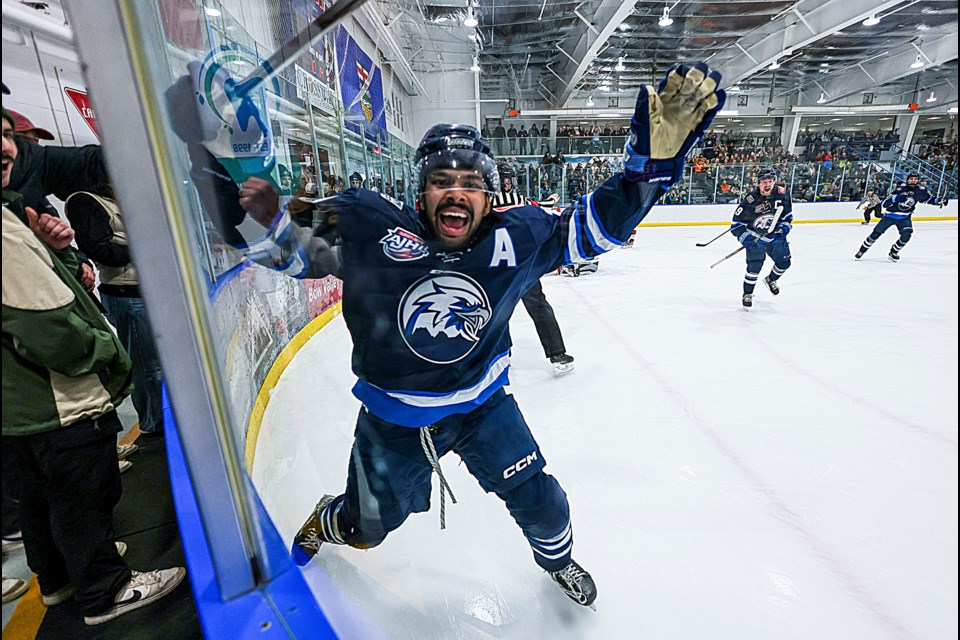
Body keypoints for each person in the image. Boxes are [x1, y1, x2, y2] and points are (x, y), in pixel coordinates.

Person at [169, 61, 723, 609]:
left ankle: (558, 562)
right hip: (393, 423)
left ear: (489, 196)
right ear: (421, 192)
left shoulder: (517, 238)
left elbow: (595, 228)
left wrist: (646, 172)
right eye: (442, 181)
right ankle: (330, 520)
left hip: (484, 409)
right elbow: (277, 245)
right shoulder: (367, 224)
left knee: (543, 504)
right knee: (368, 526)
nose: (456, 193)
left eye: (471, 183)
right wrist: (212, 166)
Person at [2, 107, 186, 626]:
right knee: (81, 492)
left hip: (29, 406)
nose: (11, 148)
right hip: (55, 399)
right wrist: (107, 360)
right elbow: (51, 325)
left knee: (44, 497)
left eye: (8, 135)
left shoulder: (18, 215)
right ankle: (104, 588)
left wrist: (60, 253)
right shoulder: (8, 229)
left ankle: (61, 579)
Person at [65, 188, 166, 437]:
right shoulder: (85, 200)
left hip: (149, 291)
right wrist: (141, 246)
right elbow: (99, 249)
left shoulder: (122, 195)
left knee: (159, 364)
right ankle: (154, 425)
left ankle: (163, 420)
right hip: (126, 293)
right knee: (147, 366)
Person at [492, 168, 575, 374]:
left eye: (508, 180)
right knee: (533, 306)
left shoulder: (486, 202)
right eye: (506, 180)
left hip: (502, 265)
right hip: (520, 263)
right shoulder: (518, 200)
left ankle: (503, 356)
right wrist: (550, 200)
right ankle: (556, 354)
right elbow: (542, 208)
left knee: (500, 311)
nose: (507, 184)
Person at [729, 167, 793, 309]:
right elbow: (736, 226)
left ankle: (771, 280)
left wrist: (784, 228)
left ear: (775, 182)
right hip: (756, 239)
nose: (767, 184)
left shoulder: (783, 195)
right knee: (754, 267)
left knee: (784, 264)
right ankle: (747, 294)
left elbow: (787, 217)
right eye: (764, 181)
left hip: (776, 239)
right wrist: (746, 238)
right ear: (758, 183)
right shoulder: (750, 200)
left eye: (770, 181)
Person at [855, 172, 944, 262]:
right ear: (907, 180)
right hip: (889, 217)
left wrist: (938, 201)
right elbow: (885, 203)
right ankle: (862, 251)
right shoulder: (900, 189)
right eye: (911, 179)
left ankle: (893, 252)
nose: (913, 181)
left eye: (915, 179)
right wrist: (895, 199)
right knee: (875, 235)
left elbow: (928, 199)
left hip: (904, 218)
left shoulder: (920, 191)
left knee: (906, 235)